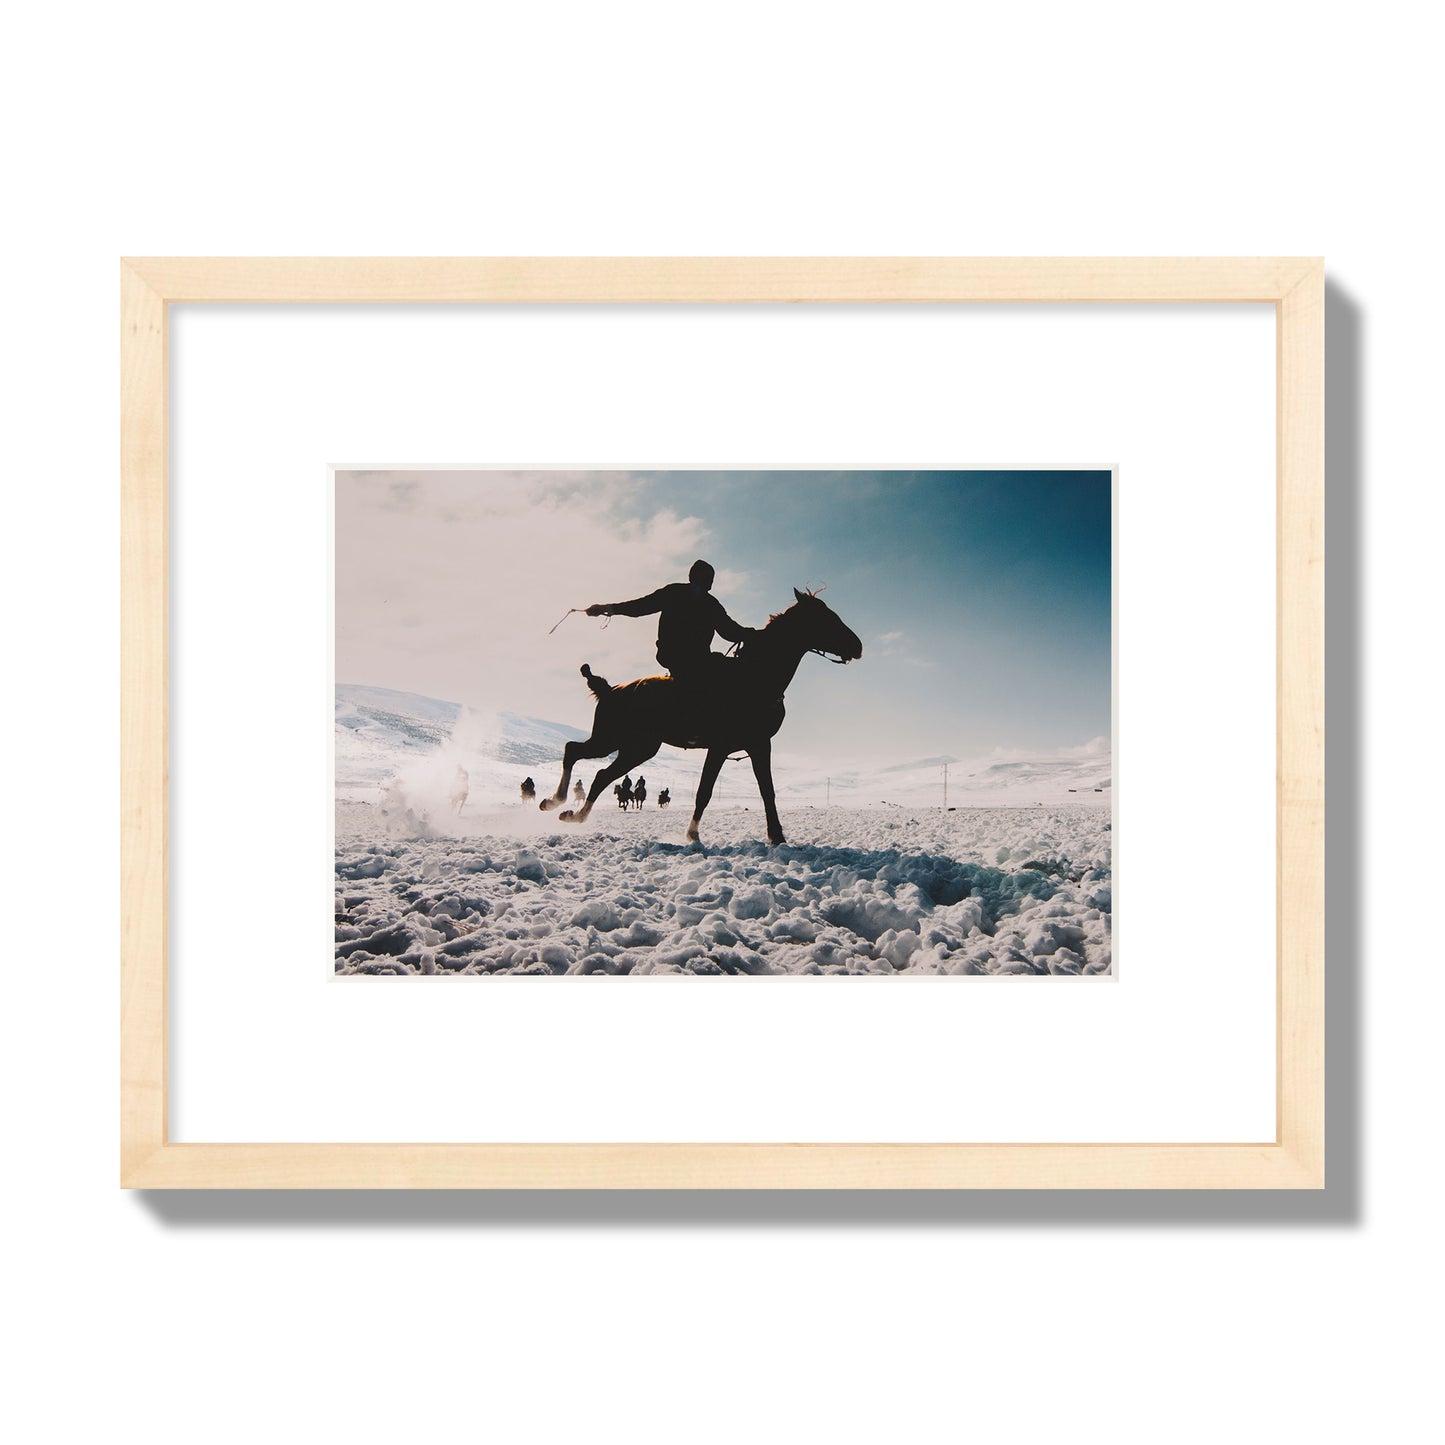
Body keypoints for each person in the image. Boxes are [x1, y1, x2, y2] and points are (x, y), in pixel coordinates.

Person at [586, 559, 754, 687]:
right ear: (709, 582)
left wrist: (606, 608)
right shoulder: (703, 601)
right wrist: (754, 635)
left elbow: (639, 607)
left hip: (686, 658)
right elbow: (730, 631)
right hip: (684, 658)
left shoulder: (687, 596)